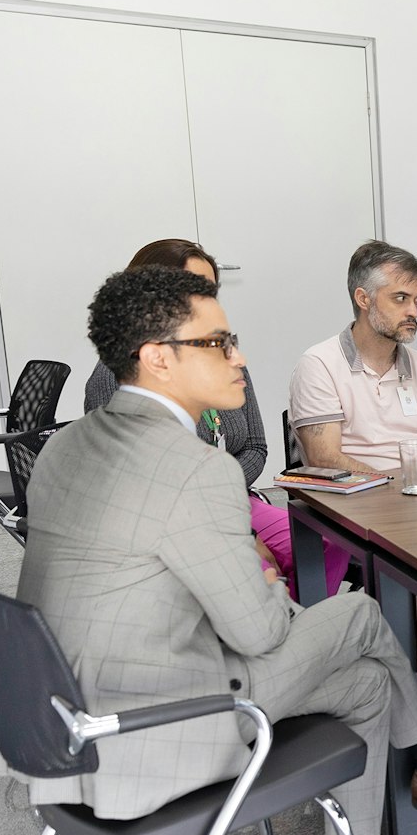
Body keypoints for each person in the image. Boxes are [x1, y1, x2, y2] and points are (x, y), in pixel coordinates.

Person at [14, 266, 417, 835]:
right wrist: (262, 586)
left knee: (367, 682)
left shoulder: (65, 444)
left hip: (62, 726)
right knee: (360, 616)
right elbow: (259, 633)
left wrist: (249, 582)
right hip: (156, 729)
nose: (240, 356)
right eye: (220, 342)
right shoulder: (193, 468)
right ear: (158, 356)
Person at [84, 239, 349, 601]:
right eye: (190, 288)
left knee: (329, 542)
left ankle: (297, 625)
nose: (204, 300)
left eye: (209, 289)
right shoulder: (118, 378)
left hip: (236, 501)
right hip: (177, 524)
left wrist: (224, 491)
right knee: (253, 570)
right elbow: (147, 494)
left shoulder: (223, 356)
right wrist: (242, 533)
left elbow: (256, 447)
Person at [289, 240, 417, 473]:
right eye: (400, 298)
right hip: (353, 499)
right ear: (363, 299)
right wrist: (396, 488)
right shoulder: (319, 364)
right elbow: (324, 458)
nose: (413, 312)